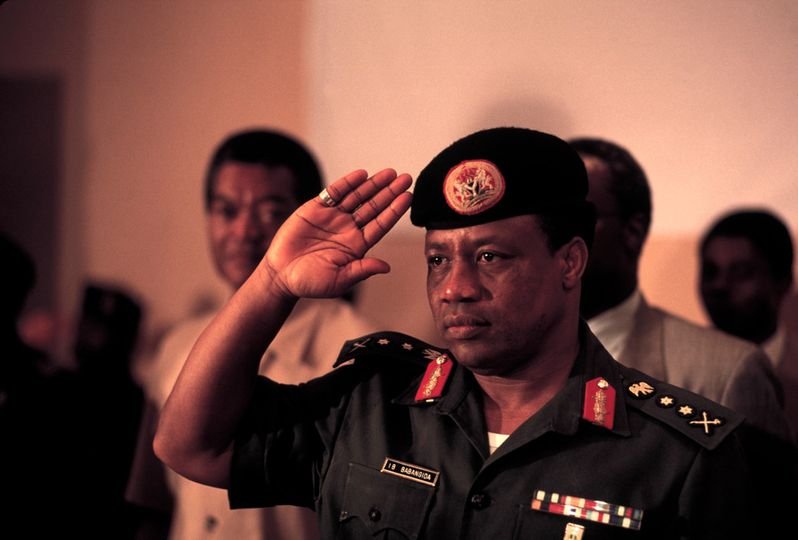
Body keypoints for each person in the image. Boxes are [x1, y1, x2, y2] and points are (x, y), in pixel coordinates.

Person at [155, 127, 760, 538]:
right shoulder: (370, 405)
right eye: (439, 260)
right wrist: (271, 283)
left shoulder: (680, 456)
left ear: (570, 262)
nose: (455, 287)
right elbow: (190, 446)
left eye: (492, 257)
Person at [126, 129, 376, 540]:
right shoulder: (177, 345)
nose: (243, 232)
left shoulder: (355, 352)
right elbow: (153, 503)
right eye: (226, 210)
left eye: (269, 212)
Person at [569, 137, 789, 440]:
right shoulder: (504, 358)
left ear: (632, 230)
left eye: (575, 217)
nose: (556, 235)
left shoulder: (724, 372)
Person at [699, 208, 798, 440]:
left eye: (741, 273)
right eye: (710, 272)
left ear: (783, 282)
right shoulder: (677, 365)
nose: (720, 286)